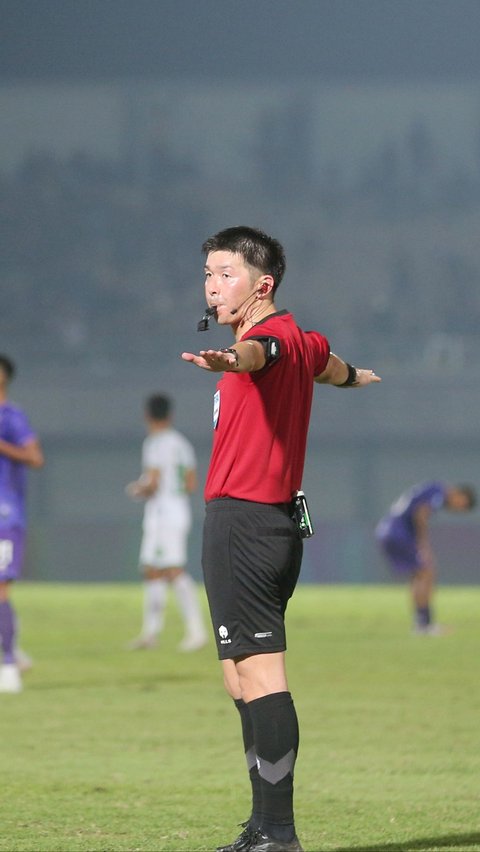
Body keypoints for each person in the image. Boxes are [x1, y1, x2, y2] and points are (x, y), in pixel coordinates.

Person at [181, 226, 380, 852]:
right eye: (208, 273)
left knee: (263, 675)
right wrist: (356, 379)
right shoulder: (302, 339)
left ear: (261, 284)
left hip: (247, 521)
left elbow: (257, 356)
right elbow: (327, 364)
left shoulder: (265, 339)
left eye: (225, 274)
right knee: (239, 678)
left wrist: (229, 360)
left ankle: (280, 835)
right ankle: (263, 827)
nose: (212, 286)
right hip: (262, 522)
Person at [126, 393, 207, 652]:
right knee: (152, 569)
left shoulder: (156, 443)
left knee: (172, 570)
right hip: (176, 508)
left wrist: (137, 489)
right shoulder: (182, 444)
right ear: (170, 415)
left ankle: (197, 631)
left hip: (163, 513)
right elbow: (191, 483)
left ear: (147, 415)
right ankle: (150, 633)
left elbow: (153, 481)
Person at [375, 481, 476, 634]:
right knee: (427, 572)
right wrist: (423, 545)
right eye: (462, 505)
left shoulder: (431, 489)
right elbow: (421, 513)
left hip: (386, 530)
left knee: (420, 574)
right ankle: (424, 625)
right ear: (458, 494)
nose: (458, 509)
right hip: (398, 533)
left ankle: (422, 623)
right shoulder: (439, 493)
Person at [0, 354, 44, 693]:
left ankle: (9, 665)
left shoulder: (11, 417)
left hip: (5, 516)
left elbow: (34, 457)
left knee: (1, 590)